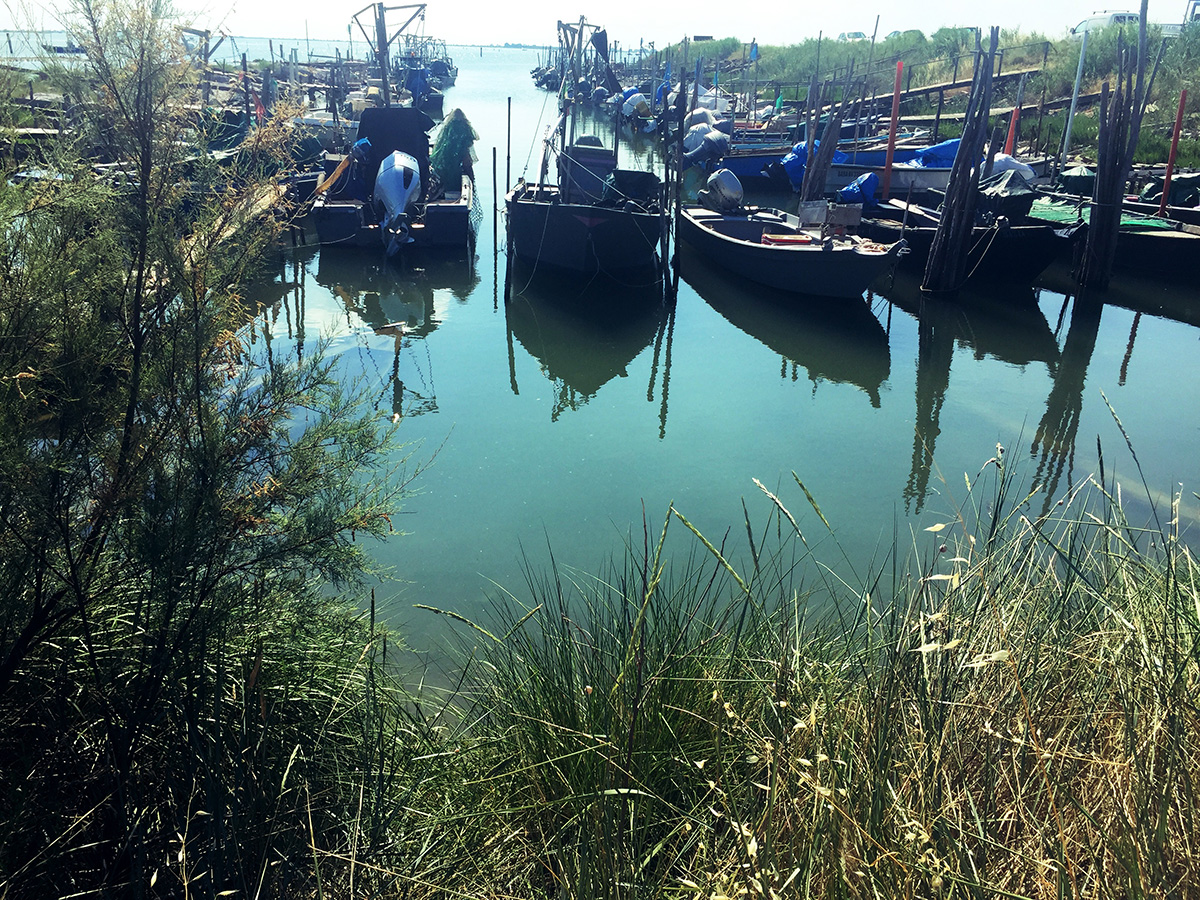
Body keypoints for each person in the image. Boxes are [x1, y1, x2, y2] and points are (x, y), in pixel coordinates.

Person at [429, 108, 478, 198]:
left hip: (442, 171)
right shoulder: (465, 132)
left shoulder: (446, 133)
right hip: (455, 173)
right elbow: (467, 162)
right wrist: (471, 180)